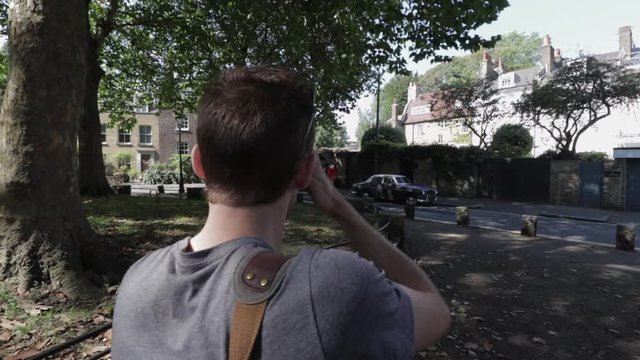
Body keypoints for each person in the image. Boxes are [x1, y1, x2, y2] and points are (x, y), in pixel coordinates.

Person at [112, 66, 450, 359]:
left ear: (199, 163)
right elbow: (435, 311)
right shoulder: (334, 286)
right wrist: (339, 208)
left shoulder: (137, 280)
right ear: (304, 173)